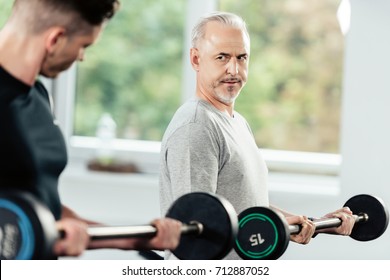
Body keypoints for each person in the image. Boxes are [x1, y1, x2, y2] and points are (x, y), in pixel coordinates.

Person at [159, 11, 356, 260]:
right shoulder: (195, 127)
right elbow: (196, 231)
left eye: (241, 58)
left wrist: (308, 224)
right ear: (196, 60)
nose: (234, 69)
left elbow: (244, 208)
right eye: (222, 57)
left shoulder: (236, 122)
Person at [0, 0, 181, 259]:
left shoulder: (37, 96)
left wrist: (134, 239)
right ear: (56, 39)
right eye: (84, 45)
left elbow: (44, 209)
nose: (82, 57)